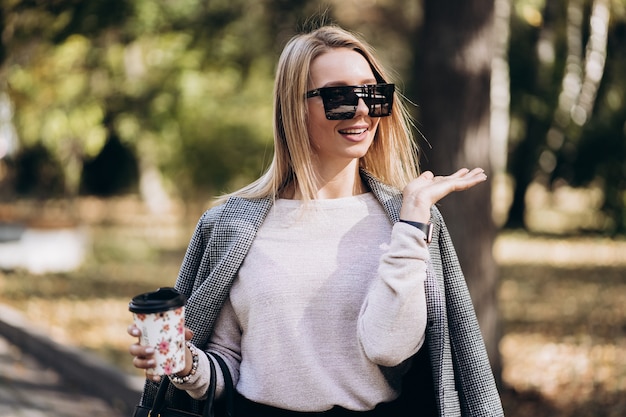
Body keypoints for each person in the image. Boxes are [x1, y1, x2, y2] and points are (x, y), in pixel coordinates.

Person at [128, 23, 504, 417]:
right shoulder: (230, 225)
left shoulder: (409, 219)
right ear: (294, 107)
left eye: (372, 94)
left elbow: (389, 348)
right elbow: (228, 362)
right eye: (339, 97)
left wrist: (411, 224)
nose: (361, 110)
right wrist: (185, 366)